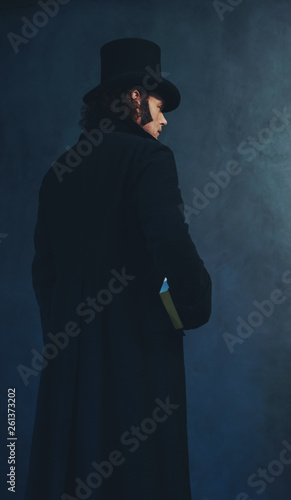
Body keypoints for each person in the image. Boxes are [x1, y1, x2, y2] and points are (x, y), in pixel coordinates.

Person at [26, 38, 212, 500]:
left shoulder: (57, 173)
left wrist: (62, 332)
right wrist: (192, 307)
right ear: (133, 98)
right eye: (157, 103)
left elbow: (43, 271)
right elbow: (169, 239)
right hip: (137, 354)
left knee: (72, 474)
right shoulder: (148, 157)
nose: (164, 118)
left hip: (70, 361)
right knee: (143, 477)